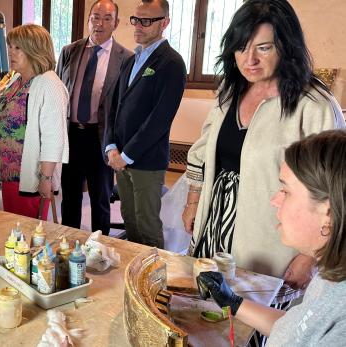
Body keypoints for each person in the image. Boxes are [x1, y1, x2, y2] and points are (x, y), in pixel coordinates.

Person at [182, 2, 344, 342]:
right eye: (241, 47)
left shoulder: (312, 103)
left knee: (256, 322)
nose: (249, 60)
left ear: (286, 46)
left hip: (269, 229)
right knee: (210, 307)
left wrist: (307, 257)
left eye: (263, 48)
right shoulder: (231, 91)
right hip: (217, 218)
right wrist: (194, 200)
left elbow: (334, 184)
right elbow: (204, 148)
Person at [198, 130, 346, 346]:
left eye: (285, 191)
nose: (275, 200)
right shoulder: (331, 274)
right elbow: (298, 329)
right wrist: (232, 301)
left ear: (328, 212)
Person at [103, 0, 186, 248]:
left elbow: (159, 119)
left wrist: (127, 155)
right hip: (120, 157)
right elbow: (113, 107)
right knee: (130, 221)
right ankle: (136, 277)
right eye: (136, 19)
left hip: (146, 160)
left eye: (146, 21)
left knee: (147, 225)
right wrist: (110, 147)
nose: (138, 26)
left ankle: (155, 282)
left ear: (165, 23)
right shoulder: (131, 60)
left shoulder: (171, 63)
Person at [56, 0, 132, 235]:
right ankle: (68, 243)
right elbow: (59, 91)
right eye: (95, 17)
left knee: (100, 198)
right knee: (69, 196)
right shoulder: (70, 51)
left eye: (107, 18)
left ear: (116, 23)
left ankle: (100, 248)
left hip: (102, 137)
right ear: (88, 19)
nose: (99, 24)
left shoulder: (126, 58)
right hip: (71, 134)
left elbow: (126, 106)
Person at [0, 24, 69, 219]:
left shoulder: (49, 83)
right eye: (10, 46)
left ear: (35, 50)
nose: (10, 52)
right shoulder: (16, 79)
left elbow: (54, 137)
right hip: (10, 172)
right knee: (14, 231)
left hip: (30, 174)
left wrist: (46, 178)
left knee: (30, 234)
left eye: (18, 48)